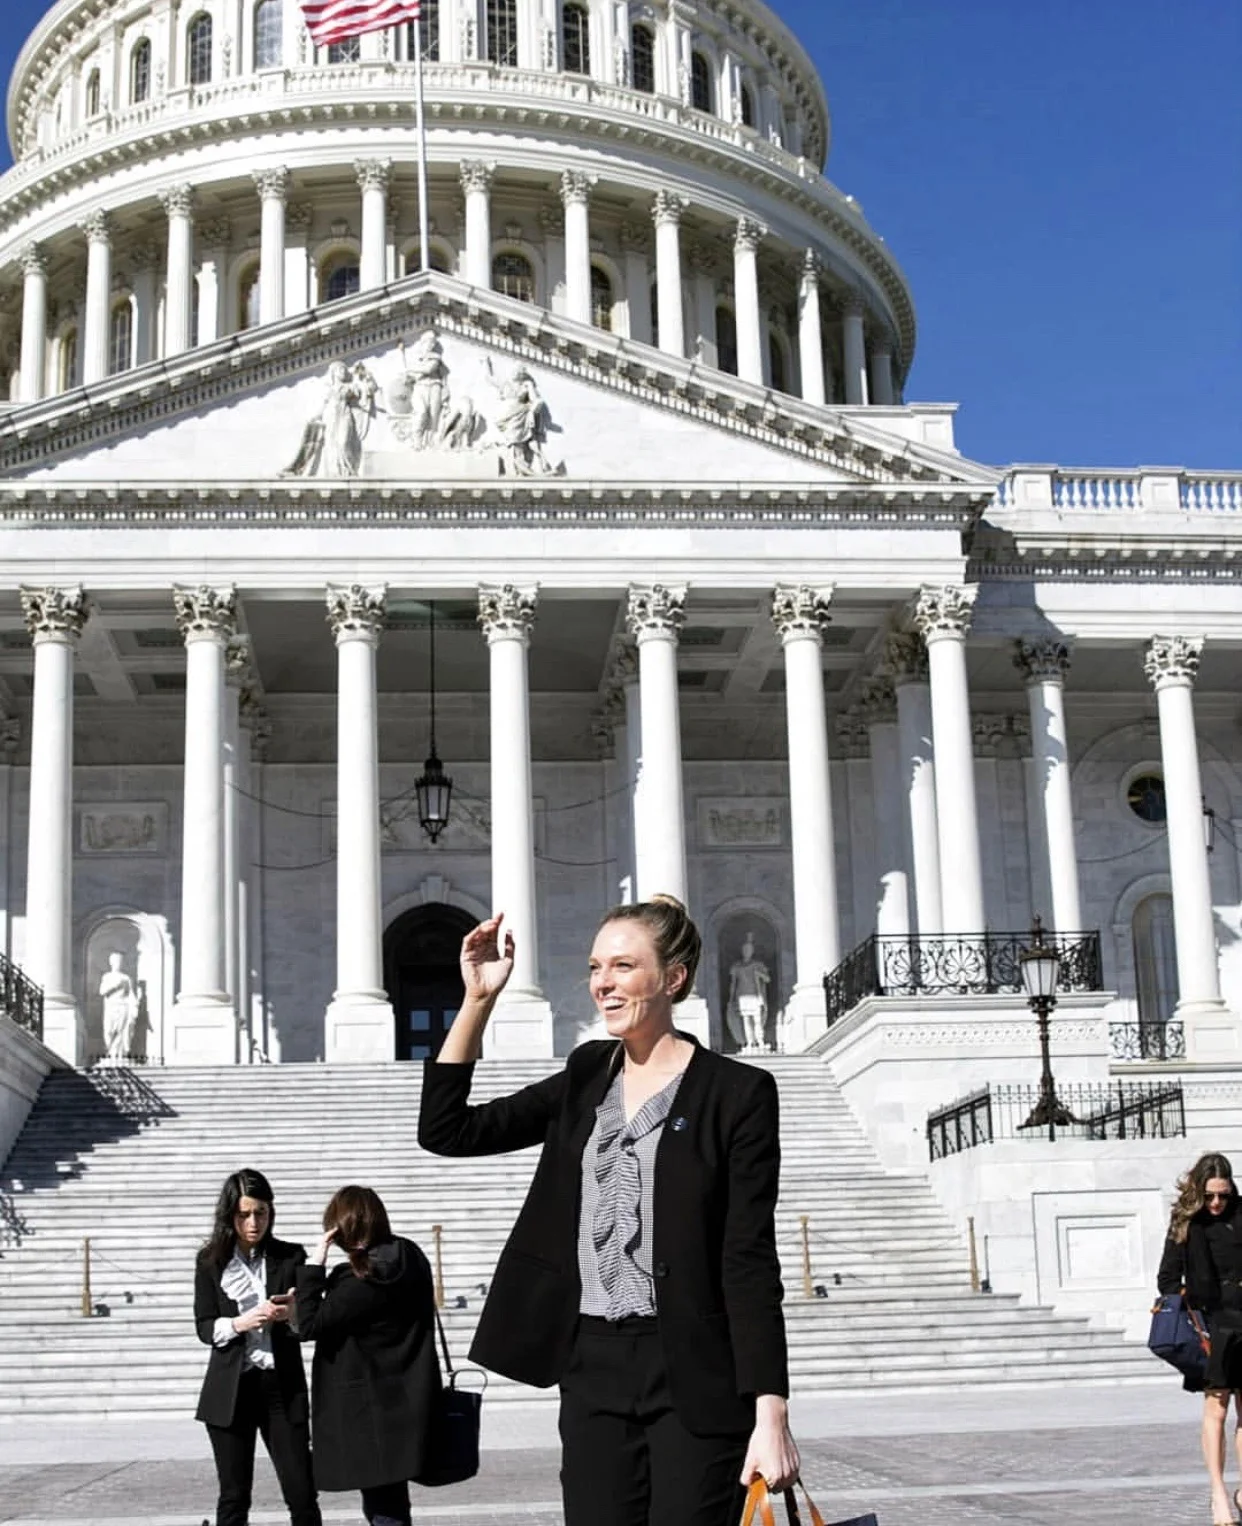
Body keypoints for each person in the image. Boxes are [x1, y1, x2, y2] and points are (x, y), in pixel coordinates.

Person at [418, 895, 799, 1526]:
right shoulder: (587, 1074)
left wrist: (772, 1413)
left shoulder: (738, 1094)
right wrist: (478, 1001)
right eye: (597, 967)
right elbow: (447, 1130)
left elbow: (749, 1258)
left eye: (623, 967)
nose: (603, 984)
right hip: (591, 1365)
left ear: (672, 978)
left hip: (695, 1374)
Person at [295, 1186, 440, 1526]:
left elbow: (309, 1325)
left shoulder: (362, 1278)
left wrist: (316, 1262)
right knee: (393, 1502)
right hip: (406, 1399)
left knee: (383, 1509)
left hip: (369, 1410)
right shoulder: (409, 1257)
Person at [193, 1169, 321, 1526]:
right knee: (234, 1497)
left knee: (302, 1492)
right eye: (244, 1214)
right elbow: (204, 1326)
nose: (253, 1223)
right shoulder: (209, 1261)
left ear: (271, 1212)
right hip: (230, 1390)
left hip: (281, 1388)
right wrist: (240, 1323)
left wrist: (293, 1314)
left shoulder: (291, 1256)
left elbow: (309, 1323)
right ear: (230, 1214)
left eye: (260, 1213)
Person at [1159, 1152, 1242, 1525]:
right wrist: (1191, 1297)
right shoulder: (1185, 1222)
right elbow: (1166, 1279)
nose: (1216, 1203)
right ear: (1198, 1190)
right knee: (1217, 1408)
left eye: (1223, 1195)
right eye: (1210, 1195)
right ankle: (1218, 1493)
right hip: (1212, 1326)